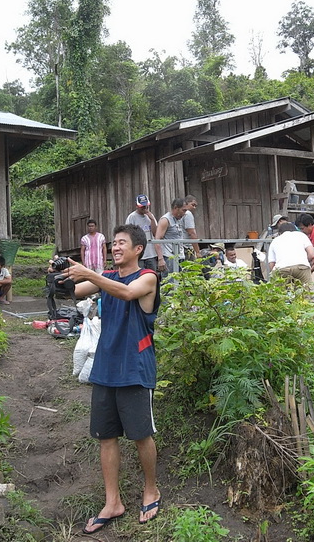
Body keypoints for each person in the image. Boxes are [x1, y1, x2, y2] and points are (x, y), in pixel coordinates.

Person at [62, 224, 161, 533]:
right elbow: (77, 291)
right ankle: (112, 501)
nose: (115, 247)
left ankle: (151, 490)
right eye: (113, 243)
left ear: (138, 249)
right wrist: (64, 275)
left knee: (141, 434)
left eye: (121, 243)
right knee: (106, 436)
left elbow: (127, 293)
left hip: (134, 367)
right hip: (105, 367)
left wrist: (91, 275)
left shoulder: (147, 277)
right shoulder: (107, 277)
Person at [154, 198, 188, 275]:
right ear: (176, 208)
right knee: (170, 280)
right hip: (169, 257)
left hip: (180, 255)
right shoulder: (165, 220)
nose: (184, 213)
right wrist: (160, 259)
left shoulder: (179, 219)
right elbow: (157, 240)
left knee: (181, 280)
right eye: (183, 210)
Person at [126, 194, 159, 271]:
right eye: (142, 206)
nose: (145, 208)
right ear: (137, 206)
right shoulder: (132, 217)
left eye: (146, 206)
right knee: (139, 274)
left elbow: (155, 233)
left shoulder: (150, 216)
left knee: (152, 274)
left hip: (151, 253)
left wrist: (152, 220)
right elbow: (128, 234)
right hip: (138, 254)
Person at [182, 194, 201, 259]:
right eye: (192, 205)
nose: (194, 207)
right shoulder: (188, 214)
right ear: (186, 203)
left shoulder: (181, 213)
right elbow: (191, 233)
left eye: (195, 206)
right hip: (187, 247)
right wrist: (197, 251)